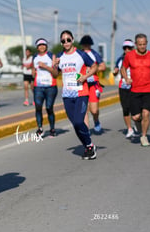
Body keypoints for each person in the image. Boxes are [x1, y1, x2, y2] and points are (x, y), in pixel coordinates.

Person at [53, 30, 98, 160]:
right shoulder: (60, 56)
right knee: (75, 124)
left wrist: (85, 76)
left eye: (68, 39)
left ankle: (89, 144)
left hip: (81, 92)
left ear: (72, 40)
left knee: (79, 121)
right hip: (67, 95)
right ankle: (89, 147)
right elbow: (56, 75)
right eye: (63, 41)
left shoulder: (81, 54)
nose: (66, 42)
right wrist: (55, 67)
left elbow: (94, 66)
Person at [121, 33, 150, 147]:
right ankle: (140, 126)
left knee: (146, 113)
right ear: (136, 44)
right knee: (135, 117)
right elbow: (123, 68)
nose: (142, 46)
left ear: (147, 43)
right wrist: (126, 78)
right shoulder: (129, 56)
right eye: (140, 44)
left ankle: (144, 136)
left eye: (144, 44)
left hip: (149, 89)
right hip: (135, 90)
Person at [31, 38, 58, 137]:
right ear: (37, 47)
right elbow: (33, 72)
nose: (41, 46)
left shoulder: (51, 56)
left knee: (49, 108)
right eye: (39, 45)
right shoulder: (34, 57)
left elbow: (55, 74)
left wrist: (46, 67)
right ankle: (40, 128)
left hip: (51, 87)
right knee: (38, 108)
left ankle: (52, 128)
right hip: (38, 87)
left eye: (43, 45)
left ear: (46, 46)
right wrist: (33, 76)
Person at [80, 35, 106, 134]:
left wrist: (93, 69)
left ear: (90, 44)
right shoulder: (79, 54)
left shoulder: (94, 54)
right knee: (84, 109)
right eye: (84, 44)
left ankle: (96, 120)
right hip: (82, 83)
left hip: (93, 83)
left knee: (94, 110)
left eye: (88, 44)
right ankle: (86, 129)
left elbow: (103, 66)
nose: (86, 46)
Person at [113, 39, 137, 138]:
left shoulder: (138, 58)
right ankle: (130, 129)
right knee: (126, 108)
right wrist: (115, 72)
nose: (127, 50)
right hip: (123, 87)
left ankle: (137, 125)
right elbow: (115, 70)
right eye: (125, 48)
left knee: (136, 109)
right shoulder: (120, 59)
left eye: (129, 48)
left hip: (136, 86)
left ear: (133, 48)